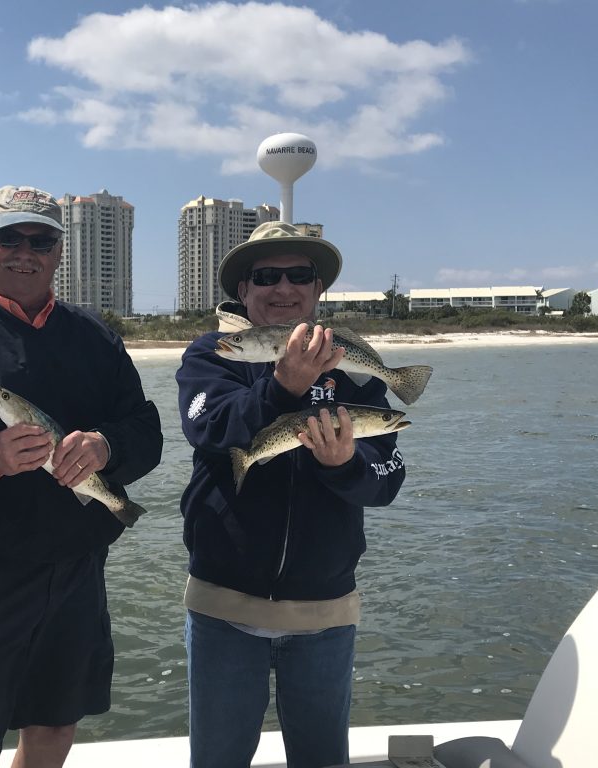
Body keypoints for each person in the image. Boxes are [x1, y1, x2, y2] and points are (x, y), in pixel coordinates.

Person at [0, 185, 163, 768]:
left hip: (76, 570)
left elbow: (146, 430)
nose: (25, 251)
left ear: (59, 251)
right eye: (10, 237)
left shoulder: (96, 337)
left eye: (40, 240)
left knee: (55, 724)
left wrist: (106, 445)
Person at [175, 221, 407, 768]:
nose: (284, 288)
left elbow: (388, 477)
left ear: (318, 288)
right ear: (243, 290)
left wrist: (345, 465)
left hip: (326, 614)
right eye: (266, 276)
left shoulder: (353, 365)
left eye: (299, 274)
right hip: (222, 609)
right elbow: (210, 429)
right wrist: (283, 388)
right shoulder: (214, 355)